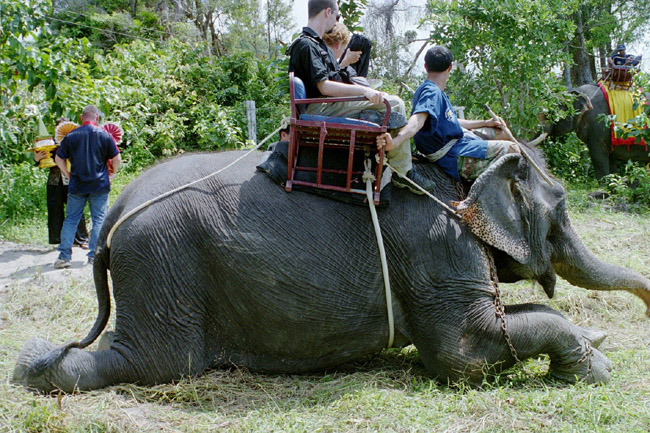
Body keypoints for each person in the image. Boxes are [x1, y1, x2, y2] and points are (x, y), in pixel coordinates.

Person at [287, 0, 434, 193]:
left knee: (386, 101)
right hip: (320, 106)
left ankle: (382, 138)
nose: (337, 21)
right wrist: (364, 92)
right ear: (328, 12)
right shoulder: (306, 45)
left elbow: (332, 78)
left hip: (327, 103)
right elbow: (324, 86)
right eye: (337, 16)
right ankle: (402, 171)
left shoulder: (317, 44)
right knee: (395, 104)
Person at [377, 46, 519, 184]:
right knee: (513, 149)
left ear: (426, 67)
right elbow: (417, 121)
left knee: (502, 133)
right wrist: (395, 142)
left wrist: (485, 122)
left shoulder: (432, 90)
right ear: (450, 67)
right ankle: (482, 195)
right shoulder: (432, 92)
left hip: (456, 142)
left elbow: (450, 121)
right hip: (451, 154)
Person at [53, 105, 121, 268]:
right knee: (99, 219)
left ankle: (64, 257)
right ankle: (94, 256)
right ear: (96, 118)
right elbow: (117, 158)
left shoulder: (71, 136)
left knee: (71, 219)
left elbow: (58, 158)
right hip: (100, 185)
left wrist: (67, 174)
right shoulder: (104, 135)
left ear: (81, 118)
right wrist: (112, 174)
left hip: (77, 185)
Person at [33, 117, 89, 247]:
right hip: (54, 181)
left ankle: (81, 239)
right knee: (55, 210)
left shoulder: (76, 142)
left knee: (76, 209)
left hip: (72, 180)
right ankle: (57, 239)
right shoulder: (48, 144)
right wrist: (37, 159)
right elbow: (40, 161)